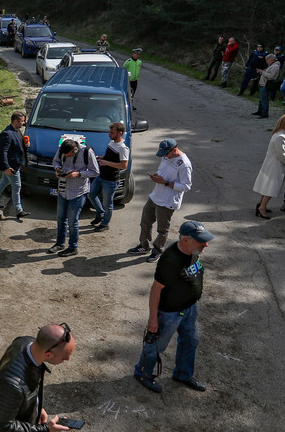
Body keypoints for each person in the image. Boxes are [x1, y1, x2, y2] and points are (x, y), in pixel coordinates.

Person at [133, 220, 214, 393]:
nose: (206, 244)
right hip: (170, 313)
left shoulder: (192, 251)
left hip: (190, 308)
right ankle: (142, 373)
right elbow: (156, 289)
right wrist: (153, 319)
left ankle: (183, 375)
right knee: (156, 346)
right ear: (185, 240)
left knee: (191, 341)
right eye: (201, 241)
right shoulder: (170, 260)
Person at [127, 138, 193, 263]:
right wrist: (157, 177)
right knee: (145, 222)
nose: (164, 157)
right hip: (155, 196)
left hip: (167, 201)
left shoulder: (184, 164)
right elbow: (163, 171)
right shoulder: (166, 156)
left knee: (162, 229)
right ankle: (144, 246)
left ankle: (157, 251)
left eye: (166, 154)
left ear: (174, 150)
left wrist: (166, 183)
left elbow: (186, 186)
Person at [45, 139, 99, 257]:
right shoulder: (63, 149)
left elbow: (95, 171)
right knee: (60, 219)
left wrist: (78, 174)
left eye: (68, 155)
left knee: (72, 222)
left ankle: (73, 247)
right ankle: (60, 243)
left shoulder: (87, 152)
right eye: (64, 154)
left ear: (75, 150)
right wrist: (58, 169)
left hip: (78, 192)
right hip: (63, 190)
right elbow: (55, 161)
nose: (65, 156)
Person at [0, 111, 30, 222]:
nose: (24, 123)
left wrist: (26, 145)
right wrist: (6, 167)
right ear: (15, 121)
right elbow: (3, 152)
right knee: (17, 187)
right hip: (11, 167)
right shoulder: (6, 134)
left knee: (3, 182)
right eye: (22, 121)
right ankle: (19, 211)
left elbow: (18, 147)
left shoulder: (18, 131)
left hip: (15, 164)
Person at [88, 122, 130, 231]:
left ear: (120, 133)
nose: (109, 134)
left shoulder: (123, 148)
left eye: (112, 132)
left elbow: (124, 165)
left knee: (107, 203)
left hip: (111, 180)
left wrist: (106, 162)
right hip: (101, 176)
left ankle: (105, 224)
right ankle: (100, 214)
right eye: (109, 132)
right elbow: (110, 158)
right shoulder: (112, 142)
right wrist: (101, 158)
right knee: (91, 195)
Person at [253, 114, 285, 218]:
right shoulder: (280, 136)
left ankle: (261, 204)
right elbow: (281, 154)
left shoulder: (281, 134)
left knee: (267, 186)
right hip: (275, 166)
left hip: (273, 165)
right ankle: (262, 208)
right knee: (271, 188)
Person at [252, 53, 281, 118]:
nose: (266, 61)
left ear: (272, 59)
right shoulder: (271, 65)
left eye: (267, 60)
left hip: (267, 84)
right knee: (261, 98)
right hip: (263, 83)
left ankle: (264, 113)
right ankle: (260, 110)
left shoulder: (275, 66)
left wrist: (262, 72)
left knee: (264, 99)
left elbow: (271, 76)